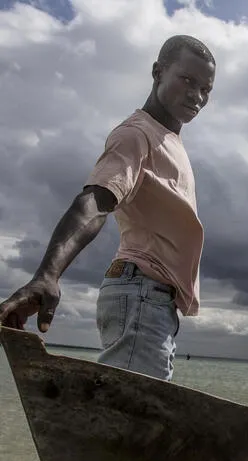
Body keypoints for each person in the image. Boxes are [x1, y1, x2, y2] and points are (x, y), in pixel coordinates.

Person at [0, 35, 216, 382]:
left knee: (138, 417)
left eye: (206, 89)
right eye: (187, 80)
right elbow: (96, 202)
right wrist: (48, 274)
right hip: (142, 296)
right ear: (158, 72)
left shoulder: (167, 140)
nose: (197, 96)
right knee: (132, 420)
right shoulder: (136, 136)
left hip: (155, 302)